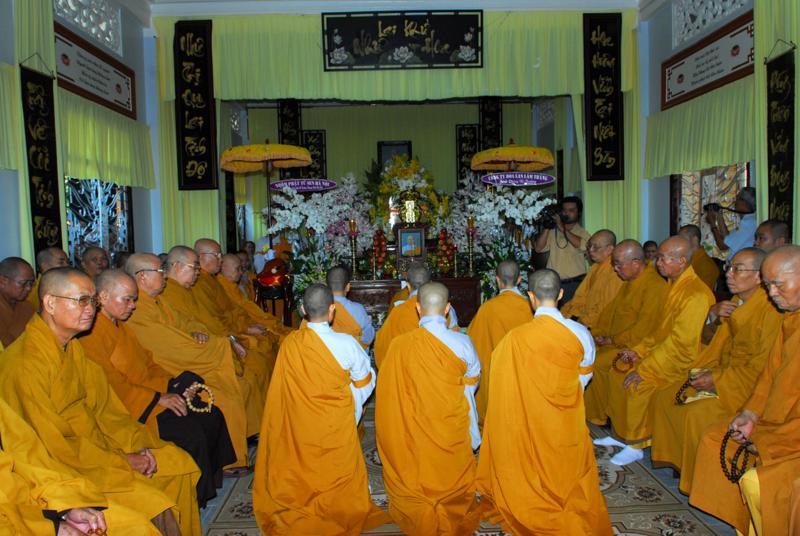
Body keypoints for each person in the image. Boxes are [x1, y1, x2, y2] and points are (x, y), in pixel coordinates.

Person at [0, 267, 202, 536]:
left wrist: (136, 446)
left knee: (179, 463)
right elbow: (48, 447)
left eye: (93, 301)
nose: (91, 309)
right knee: (151, 508)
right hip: (72, 467)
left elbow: (106, 411)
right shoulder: (24, 365)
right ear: (50, 303)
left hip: (100, 448)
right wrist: (122, 461)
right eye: (82, 300)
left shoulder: (71, 348)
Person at [80, 269, 238, 508]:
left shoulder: (122, 327)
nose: (133, 306)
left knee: (210, 413)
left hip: (152, 393)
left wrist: (173, 386)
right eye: (127, 300)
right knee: (190, 431)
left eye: (134, 300)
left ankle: (211, 482)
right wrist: (156, 398)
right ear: (102, 297)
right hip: (132, 407)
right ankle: (196, 497)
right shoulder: (90, 336)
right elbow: (111, 384)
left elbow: (149, 363)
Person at [476, 269, 610, 535]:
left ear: (530, 297)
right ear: (560, 294)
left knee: (528, 457)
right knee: (566, 463)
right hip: (565, 417)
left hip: (527, 419)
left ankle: (529, 497)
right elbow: (583, 378)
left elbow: (501, 386)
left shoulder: (513, 340)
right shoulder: (580, 334)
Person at [253, 284, 388, 534]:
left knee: (305, 459)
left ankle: (302, 493)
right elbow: (365, 381)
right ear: (332, 310)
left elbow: (282, 390)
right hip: (337, 422)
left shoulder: (290, 343)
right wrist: (351, 404)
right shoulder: (347, 343)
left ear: (303, 309)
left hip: (300, 423)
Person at [650, 248, 781, 494]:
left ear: (759, 277)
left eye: (737, 269)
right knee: (664, 395)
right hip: (722, 371)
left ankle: (697, 481)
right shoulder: (734, 302)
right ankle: (679, 464)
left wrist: (717, 379)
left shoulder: (772, 311)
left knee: (695, 415)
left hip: (743, 388)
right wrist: (713, 316)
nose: (728, 274)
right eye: (729, 267)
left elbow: (762, 368)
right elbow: (712, 342)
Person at [690, 245, 800, 535]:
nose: (772, 293)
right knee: (715, 438)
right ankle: (741, 521)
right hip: (772, 419)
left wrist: (766, 439)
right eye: (769, 284)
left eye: (779, 284)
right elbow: (769, 376)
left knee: (761, 482)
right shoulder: (791, 319)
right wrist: (750, 414)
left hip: (790, 436)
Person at [124, 252, 254, 470]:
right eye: (160, 271)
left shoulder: (158, 301)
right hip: (171, 370)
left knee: (235, 386)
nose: (165, 275)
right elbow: (166, 347)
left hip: (188, 360)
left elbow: (189, 322)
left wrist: (197, 332)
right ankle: (228, 462)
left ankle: (230, 457)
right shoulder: (137, 310)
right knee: (224, 395)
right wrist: (222, 345)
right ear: (142, 276)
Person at [597, 236, 715, 465]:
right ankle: (623, 435)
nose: (656, 263)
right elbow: (660, 332)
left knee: (637, 383)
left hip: (683, 360)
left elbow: (681, 344)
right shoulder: (674, 285)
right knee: (618, 370)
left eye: (662, 258)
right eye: (658, 257)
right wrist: (638, 351)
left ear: (681, 261)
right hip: (664, 351)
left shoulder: (695, 294)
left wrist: (646, 368)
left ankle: (636, 445)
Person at [377, 282, 480, 533]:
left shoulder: (399, 345)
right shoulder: (463, 342)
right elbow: (472, 380)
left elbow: (388, 388)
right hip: (449, 424)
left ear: (417, 308)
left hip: (413, 425)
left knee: (414, 450)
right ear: (447, 309)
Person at [160, 246, 271, 414]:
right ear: (176, 266)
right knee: (242, 384)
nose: (198, 272)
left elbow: (207, 320)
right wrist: (230, 341)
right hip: (197, 358)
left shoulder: (188, 289)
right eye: (194, 267)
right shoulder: (167, 293)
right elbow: (172, 339)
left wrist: (232, 338)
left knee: (257, 365)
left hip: (217, 342)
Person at [584, 240, 669, 425]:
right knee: (586, 352)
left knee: (597, 362)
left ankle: (600, 416)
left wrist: (611, 340)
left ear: (636, 263)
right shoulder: (630, 281)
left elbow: (644, 329)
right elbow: (610, 312)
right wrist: (596, 333)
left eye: (618, 265)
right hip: (615, 341)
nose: (615, 270)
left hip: (637, 347)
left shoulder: (655, 286)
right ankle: (594, 410)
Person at [467, 260, 533, 425]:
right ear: (520, 280)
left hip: (497, 374)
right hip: (525, 374)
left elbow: (473, 341)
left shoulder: (487, 309)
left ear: (497, 280)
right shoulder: (530, 307)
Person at [374, 262, 458, 368]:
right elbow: (456, 342)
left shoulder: (398, 312)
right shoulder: (445, 308)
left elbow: (383, 348)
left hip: (406, 369)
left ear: (408, 286)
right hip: (437, 367)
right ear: (430, 283)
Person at [218, 253, 292, 339]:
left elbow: (246, 309)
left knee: (280, 331)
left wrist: (258, 322)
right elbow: (224, 319)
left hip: (251, 323)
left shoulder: (232, 285)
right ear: (223, 267)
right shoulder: (219, 288)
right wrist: (248, 329)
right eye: (237, 269)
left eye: (241, 268)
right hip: (241, 331)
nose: (241, 272)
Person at [533, 196, 592, 303]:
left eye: (571, 210)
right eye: (564, 210)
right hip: (554, 284)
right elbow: (538, 248)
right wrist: (547, 227)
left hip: (575, 284)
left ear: (578, 213)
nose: (566, 213)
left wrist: (562, 228)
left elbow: (583, 246)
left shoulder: (582, 232)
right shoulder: (553, 231)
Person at [560, 229, 623, 329]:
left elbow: (605, 306)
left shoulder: (616, 271)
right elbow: (579, 296)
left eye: (596, 247)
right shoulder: (596, 267)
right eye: (589, 246)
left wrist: (581, 324)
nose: (590, 250)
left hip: (594, 325)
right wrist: (564, 314)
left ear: (610, 249)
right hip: (580, 317)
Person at [301, 266, 374, 349]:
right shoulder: (358, 309)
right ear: (348, 287)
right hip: (351, 354)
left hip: (321, 354)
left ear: (327, 286)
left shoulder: (314, 308)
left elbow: (305, 338)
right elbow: (368, 338)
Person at [705, 186, 757, 261]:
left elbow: (723, 246)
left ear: (744, 202)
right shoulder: (750, 220)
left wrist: (712, 224)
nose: (735, 201)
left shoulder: (748, 223)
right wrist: (719, 215)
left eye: (737, 198)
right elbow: (727, 239)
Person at [0, 257, 36, 347]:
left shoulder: (28, 307)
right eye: (23, 283)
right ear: (2, 281)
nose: (29, 288)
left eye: (31, 283)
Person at [677, 224, 720, 291]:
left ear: (695, 240)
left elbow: (702, 293)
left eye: (683, 240)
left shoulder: (705, 265)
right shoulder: (687, 260)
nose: (679, 244)